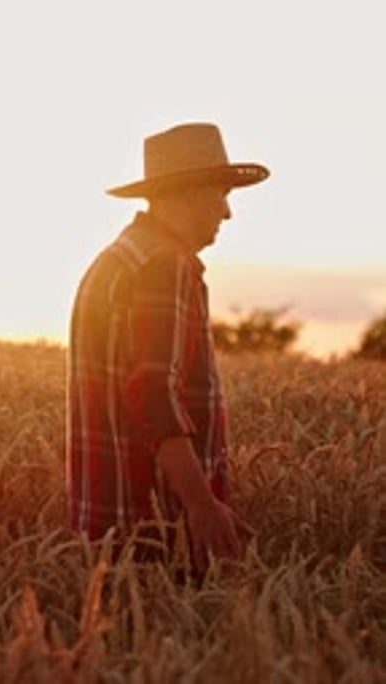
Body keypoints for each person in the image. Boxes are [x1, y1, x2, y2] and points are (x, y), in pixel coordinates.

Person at [66, 122, 270, 575]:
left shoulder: (119, 258)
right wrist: (202, 505)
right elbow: (154, 394)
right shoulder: (165, 265)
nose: (227, 213)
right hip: (156, 532)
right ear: (191, 192)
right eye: (222, 194)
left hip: (108, 525)